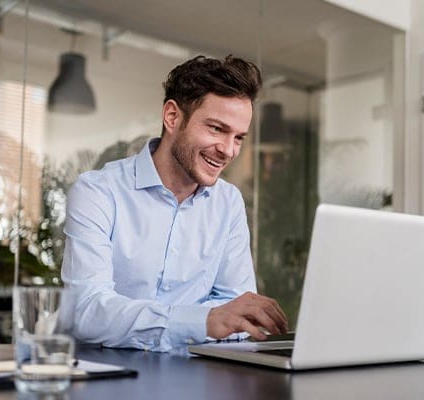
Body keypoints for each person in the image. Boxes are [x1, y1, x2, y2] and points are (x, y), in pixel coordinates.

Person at [59, 55, 288, 352]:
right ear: (172, 117)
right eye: (217, 129)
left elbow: (236, 314)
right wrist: (203, 321)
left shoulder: (228, 203)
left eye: (239, 137)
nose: (228, 150)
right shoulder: (99, 191)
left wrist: (220, 318)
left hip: (193, 376)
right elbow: (87, 310)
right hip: (105, 374)